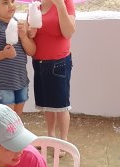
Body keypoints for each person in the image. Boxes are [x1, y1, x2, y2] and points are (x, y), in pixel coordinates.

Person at [26, 0, 75, 140]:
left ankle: (63, 140)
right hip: (39, 62)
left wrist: (60, 5)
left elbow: (68, 32)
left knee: (61, 105)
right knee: (47, 104)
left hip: (58, 63)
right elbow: (30, 34)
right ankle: (51, 136)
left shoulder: (66, 2)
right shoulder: (35, 5)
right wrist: (30, 32)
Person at [0, 0, 36, 115]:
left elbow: (32, 51)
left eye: (12, 1)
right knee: (5, 121)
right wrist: (3, 54)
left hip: (21, 81)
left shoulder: (20, 24)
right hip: (1, 84)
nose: (11, 5)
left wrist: (23, 36)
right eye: (5, 3)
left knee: (16, 120)